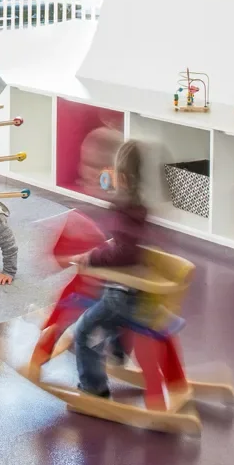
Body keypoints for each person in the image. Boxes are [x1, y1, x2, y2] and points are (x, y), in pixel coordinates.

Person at [68, 139, 149, 398]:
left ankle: (94, 388)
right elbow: (121, 245)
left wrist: (92, 259)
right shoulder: (136, 209)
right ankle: (117, 354)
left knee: (82, 333)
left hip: (120, 296)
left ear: (122, 179)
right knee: (108, 316)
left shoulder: (124, 212)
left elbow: (121, 252)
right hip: (130, 292)